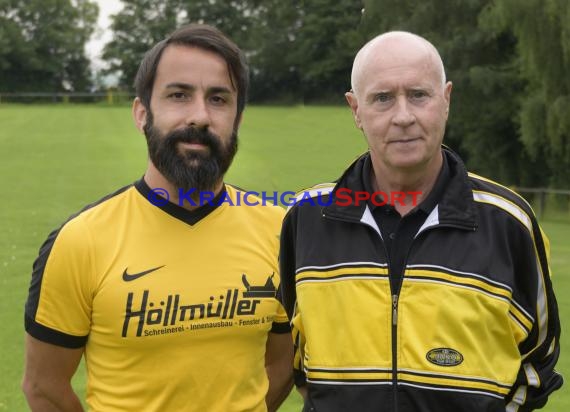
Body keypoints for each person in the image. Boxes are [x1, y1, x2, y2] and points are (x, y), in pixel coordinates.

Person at [278, 31, 562, 411]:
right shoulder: (307, 217)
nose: (403, 116)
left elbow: (538, 360)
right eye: (382, 98)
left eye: (418, 95)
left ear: (445, 100)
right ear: (355, 109)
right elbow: (294, 354)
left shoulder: (509, 222)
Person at [22, 24, 293, 411]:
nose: (199, 116)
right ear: (142, 112)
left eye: (218, 99)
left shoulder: (281, 230)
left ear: (238, 119)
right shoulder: (79, 240)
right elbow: (44, 387)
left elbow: (282, 362)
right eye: (179, 95)